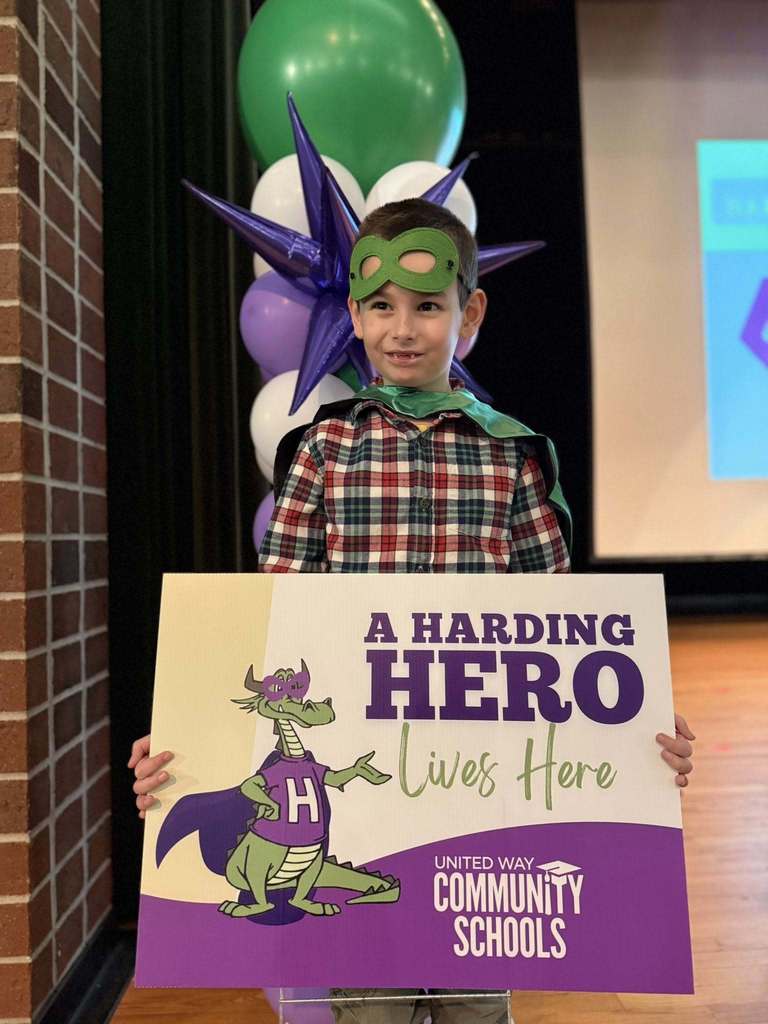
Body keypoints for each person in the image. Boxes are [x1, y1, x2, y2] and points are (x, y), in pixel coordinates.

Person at [130, 198, 695, 1023]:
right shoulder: (323, 452)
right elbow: (271, 626)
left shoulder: (514, 457)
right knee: (373, 1007)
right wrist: (193, 742)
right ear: (354, 314)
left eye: (428, 305)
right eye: (382, 305)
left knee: (475, 1007)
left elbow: (571, 627)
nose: (404, 327)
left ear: (469, 315)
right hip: (369, 808)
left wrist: (639, 736)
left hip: (480, 805)